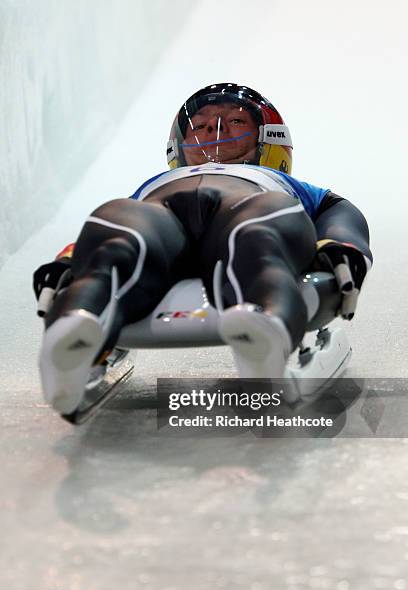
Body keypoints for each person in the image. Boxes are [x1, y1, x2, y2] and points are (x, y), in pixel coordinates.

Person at [34, 83, 372, 416]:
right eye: (201, 126)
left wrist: (342, 246)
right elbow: (102, 236)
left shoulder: (294, 188)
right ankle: (77, 322)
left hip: (250, 201)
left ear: (267, 140)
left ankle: (264, 324)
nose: (215, 129)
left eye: (236, 121)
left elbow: (341, 216)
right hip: (160, 211)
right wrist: (68, 261)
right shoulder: (149, 186)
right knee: (120, 232)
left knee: (257, 235)